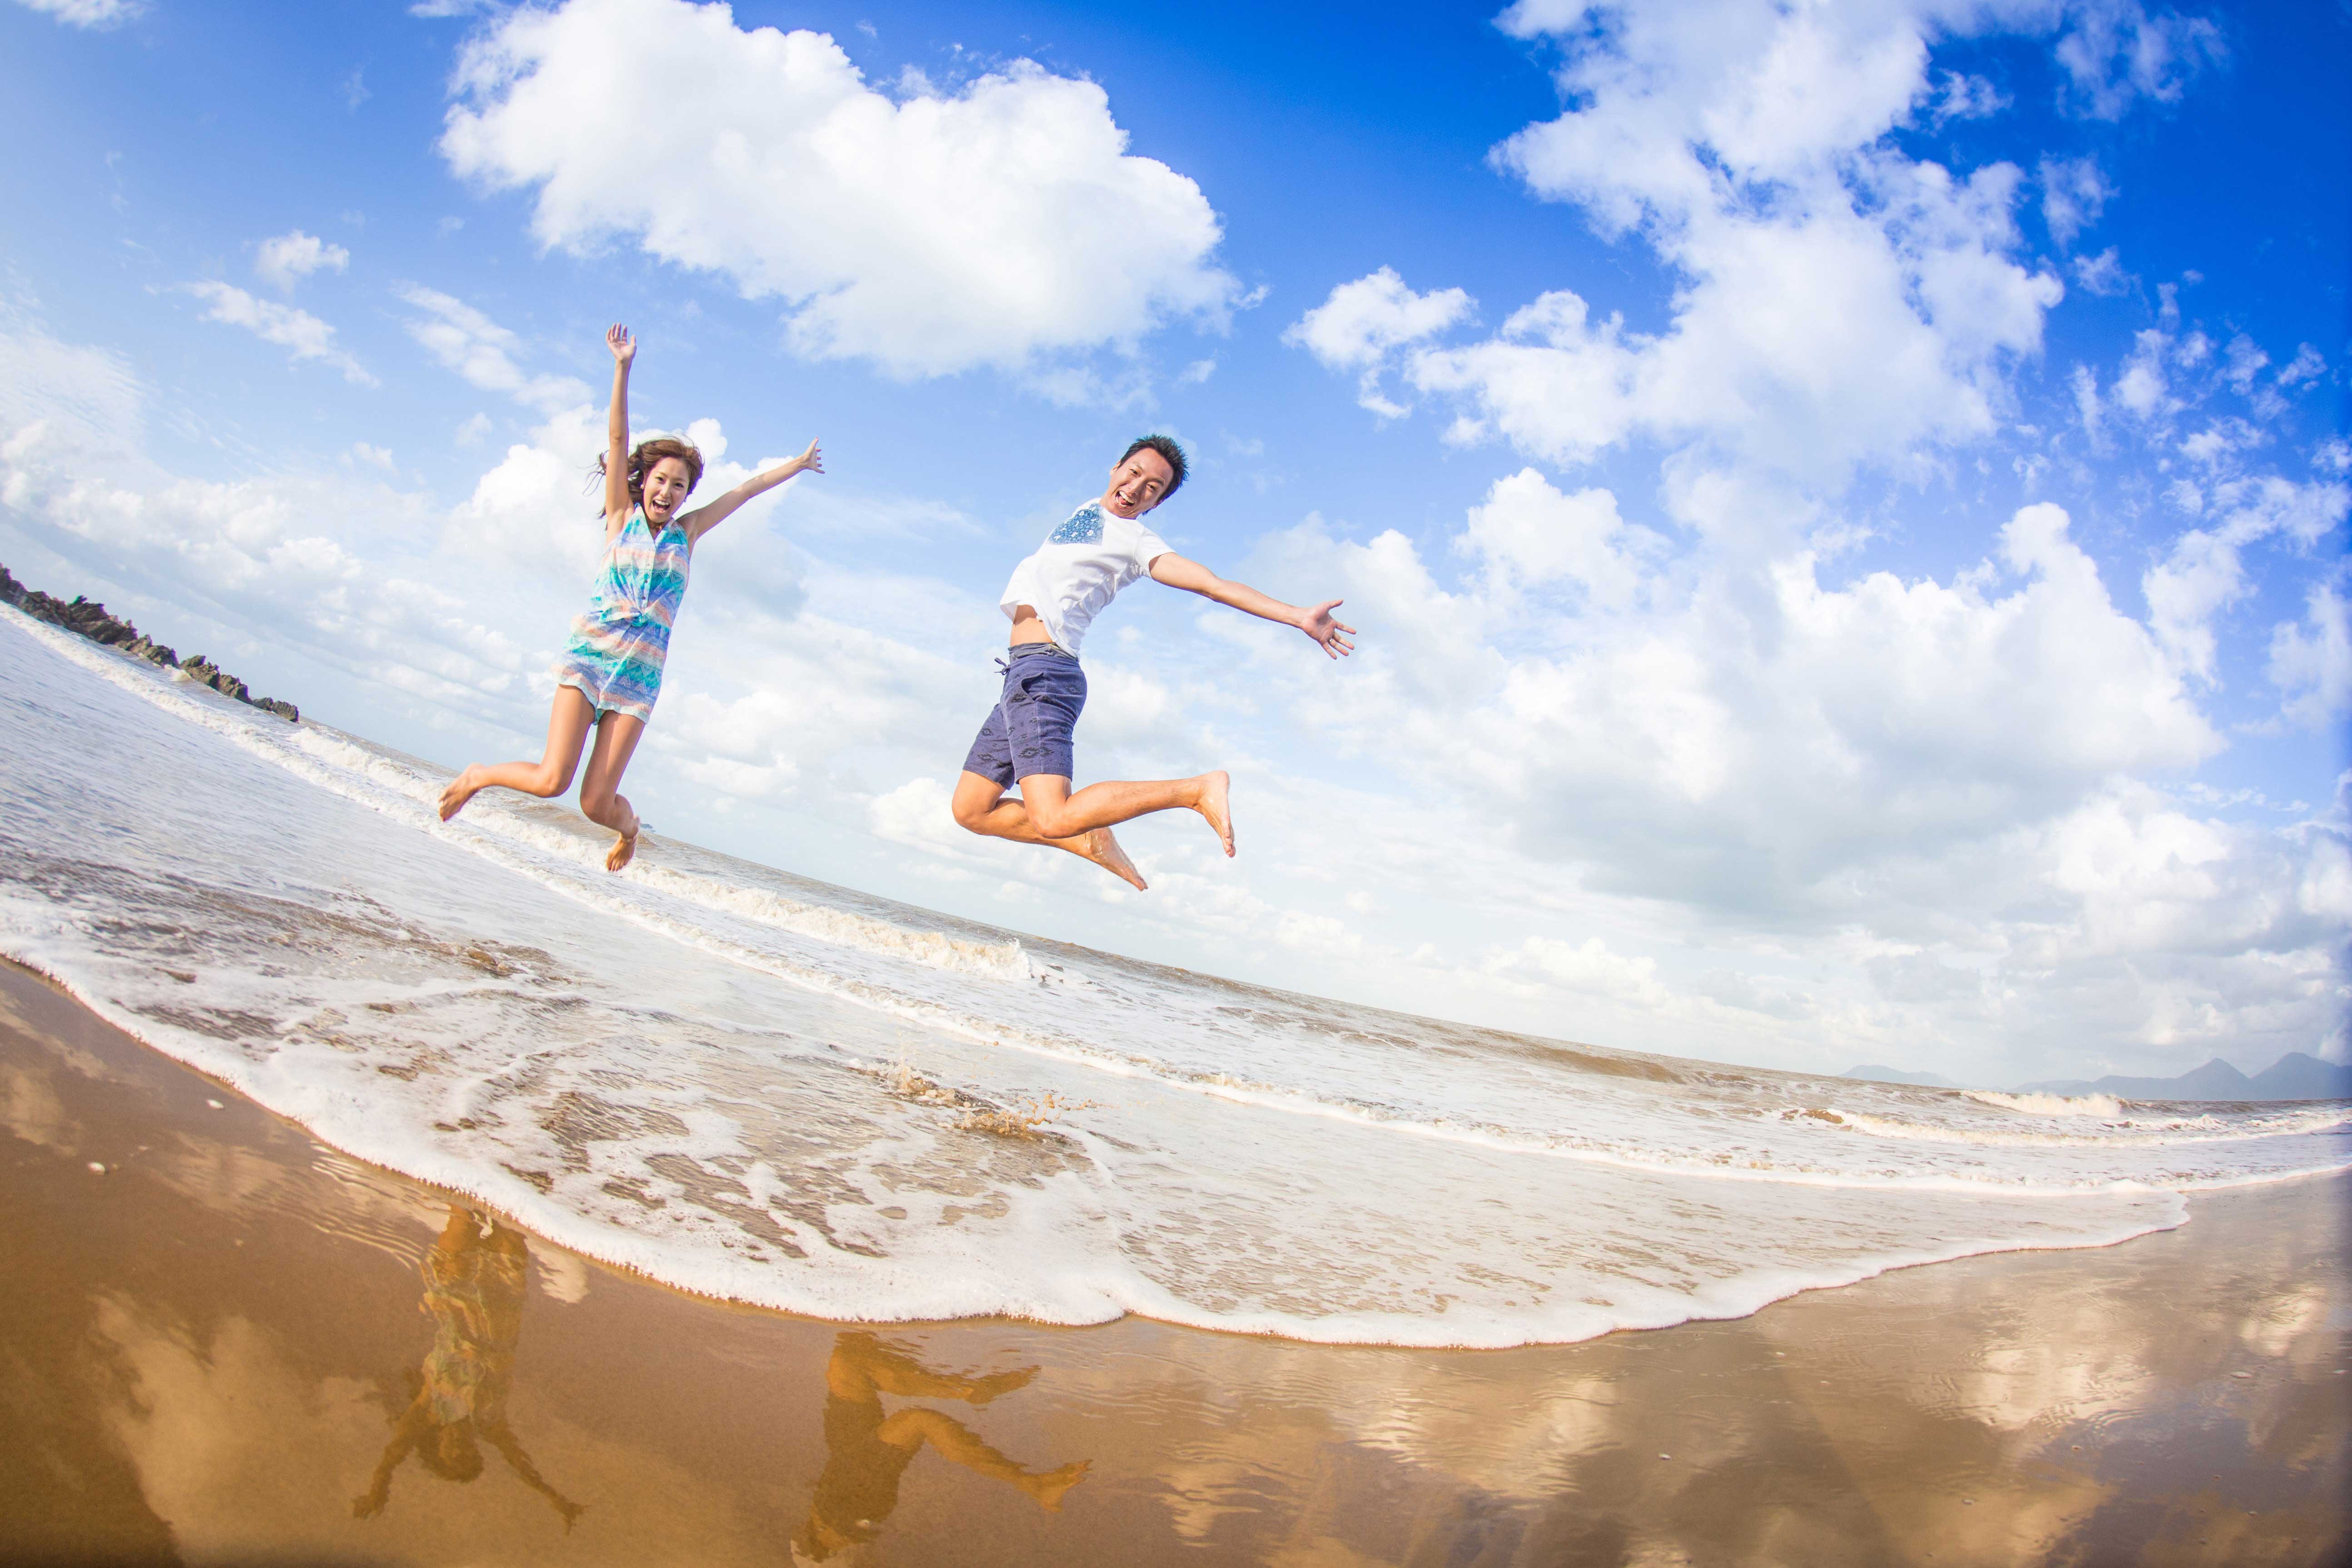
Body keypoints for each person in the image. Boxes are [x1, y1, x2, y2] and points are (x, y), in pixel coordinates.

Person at [437, 324, 821, 870]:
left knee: (596, 804)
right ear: (644, 482)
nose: (667, 492)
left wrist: (797, 466)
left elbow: (745, 490)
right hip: (590, 657)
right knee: (551, 781)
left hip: (640, 677)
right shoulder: (620, 520)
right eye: (660, 480)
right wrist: (622, 367)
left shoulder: (688, 534)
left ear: (688, 494)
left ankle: (631, 829)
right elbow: (618, 440)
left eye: (679, 486)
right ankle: (479, 775)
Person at [951, 435, 1354, 890]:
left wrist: (1297, 616)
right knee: (971, 810)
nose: (1137, 487)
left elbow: (1209, 583)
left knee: (1054, 816)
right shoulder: (1093, 509)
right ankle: (1087, 839)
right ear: (1115, 467)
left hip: (1047, 675)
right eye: (1135, 473)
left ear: (1156, 504)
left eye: (1153, 488)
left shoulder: (1136, 541)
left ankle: (1194, 789)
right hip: (1021, 674)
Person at [352, 1206, 585, 1530]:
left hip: (456, 1299)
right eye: (471, 1458)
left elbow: (392, 1456)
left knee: (462, 1221)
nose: (464, 1452)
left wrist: (378, 1491)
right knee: (512, 1229)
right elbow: (521, 1464)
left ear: (438, 1447)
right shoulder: (490, 1423)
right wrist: (554, 1497)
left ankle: (469, 1163)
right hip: (501, 1313)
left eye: (454, 1458)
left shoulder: (426, 1410)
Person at [790, 1331, 1087, 1563]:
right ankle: (1032, 1484)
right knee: (917, 1420)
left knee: (847, 1362)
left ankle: (968, 1390)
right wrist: (831, 1535)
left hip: (841, 1463)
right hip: (849, 1501)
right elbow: (843, 1545)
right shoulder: (826, 1546)